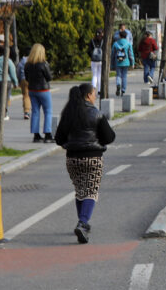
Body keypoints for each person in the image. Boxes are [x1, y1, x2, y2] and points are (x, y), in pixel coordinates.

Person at [54, 82, 116, 242]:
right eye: (94, 93)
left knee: (80, 189)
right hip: (93, 157)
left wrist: (71, 144)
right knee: (91, 191)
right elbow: (109, 137)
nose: (95, 96)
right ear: (88, 95)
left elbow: (58, 138)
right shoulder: (95, 113)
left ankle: (82, 223)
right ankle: (83, 223)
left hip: (72, 159)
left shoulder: (68, 113)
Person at [24, 43, 54, 143]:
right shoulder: (43, 64)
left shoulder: (27, 64)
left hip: (32, 90)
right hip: (43, 90)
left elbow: (27, 78)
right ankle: (48, 134)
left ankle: (36, 135)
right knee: (48, 111)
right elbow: (49, 77)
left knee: (35, 112)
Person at [111, 29, 134, 95]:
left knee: (118, 75)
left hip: (117, 62)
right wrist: (132, 63)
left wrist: (112, 64)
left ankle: (118, 84)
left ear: (119, 36)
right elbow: (131, 54)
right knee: (124, 76)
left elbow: (112, 54)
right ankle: (123, 90)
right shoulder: (128, 44)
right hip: (126, 62)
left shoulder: (115, 44)